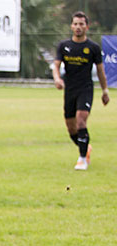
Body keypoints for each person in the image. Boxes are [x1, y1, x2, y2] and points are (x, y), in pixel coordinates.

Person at [52, 11, 110, 171]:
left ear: (87, 27)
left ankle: (82, 159)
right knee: (71, 129)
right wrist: (57, 79)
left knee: (81, 121)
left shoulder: (93, 47)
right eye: (75, 24)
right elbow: (56, 66)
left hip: (85, 89)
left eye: (81, 24)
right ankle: (86, 148)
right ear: (71, 26)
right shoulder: (64, 46)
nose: (78, 27)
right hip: (70, 90)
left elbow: (100, 71)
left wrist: (105, 91)